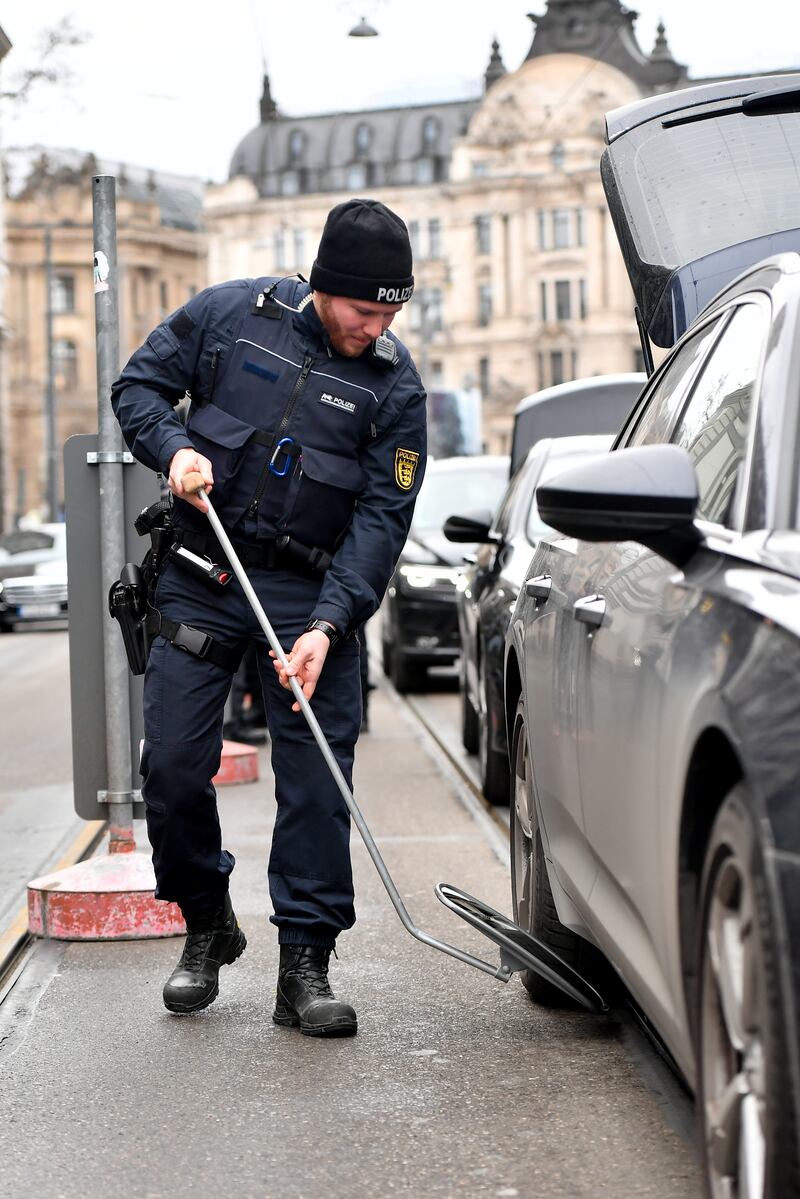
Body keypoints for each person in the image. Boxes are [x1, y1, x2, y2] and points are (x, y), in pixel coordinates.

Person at [111, 199, 426, 1036]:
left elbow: (381, 522)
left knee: (317, 787)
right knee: (174, 769)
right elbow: (138, 385)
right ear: (324, 286)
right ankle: (208, 919)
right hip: (202, 570)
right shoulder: (229, 316)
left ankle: (305, 965)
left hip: (310, 595)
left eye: (393, 307)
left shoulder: (395, 387)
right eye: (366, 306)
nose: (379, 323)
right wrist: (169, 448)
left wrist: (328, 625)